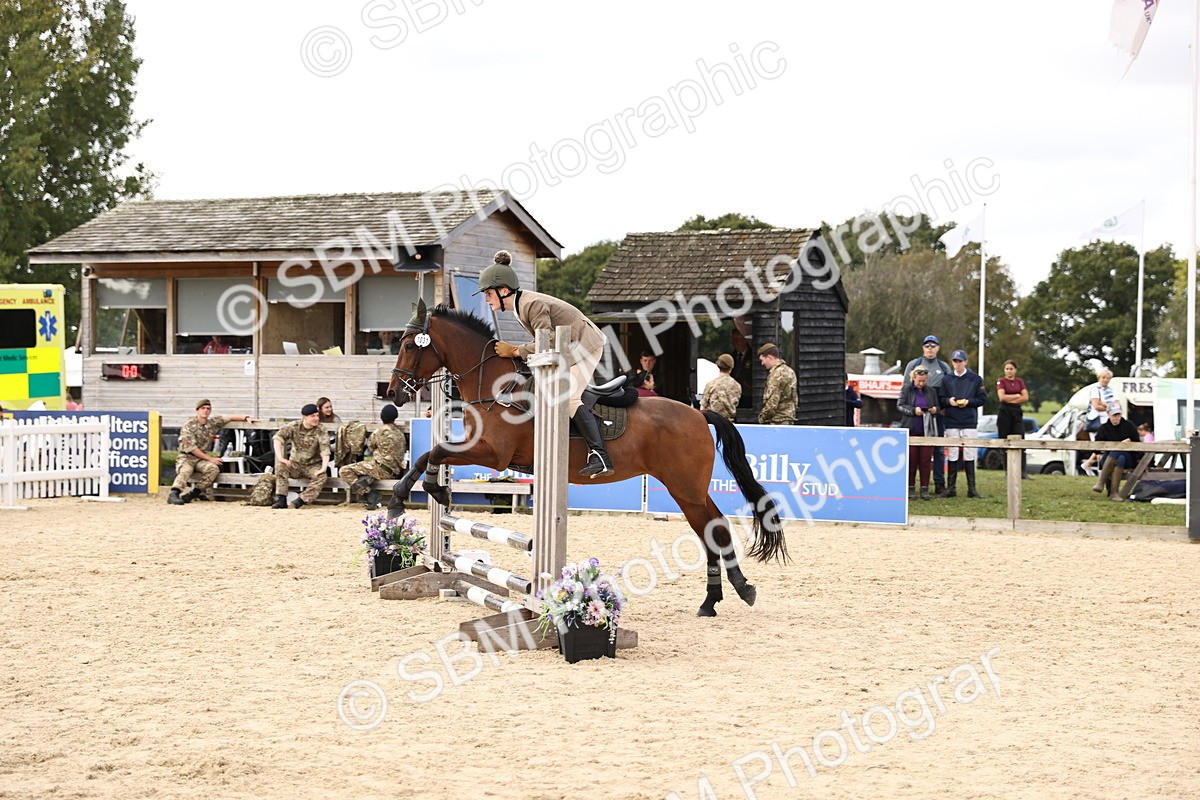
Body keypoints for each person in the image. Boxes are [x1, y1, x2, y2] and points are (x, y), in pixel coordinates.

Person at [479, 249, 613, 478]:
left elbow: (547, 340)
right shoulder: (520, 306)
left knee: (569, 397)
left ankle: (600, 456)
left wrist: (516, 350)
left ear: (503, 290)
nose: (486, 299)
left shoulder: (531, 304)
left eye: (488, 293)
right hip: (569, 347)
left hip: (585, 345)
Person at [169, 399, 259, 505]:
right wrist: (210, 458)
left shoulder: (212, 423)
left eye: (208, 408)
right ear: (197, 410)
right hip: (187, 457)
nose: (206, 410)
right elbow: (192, 448)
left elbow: (229, 417)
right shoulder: (189, 425)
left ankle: (194, 494)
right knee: (186, 470)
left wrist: (246, 418)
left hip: (200, 459)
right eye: (203, 408)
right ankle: (174, 493)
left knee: (213, 469)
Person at [902, 334, 952, 494]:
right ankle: (910, 485)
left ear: (938, 348)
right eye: (927, 346)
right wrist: (911, 410)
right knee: (912, 452)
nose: (930, 349)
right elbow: (905, 390)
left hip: (936, 412)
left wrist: (942, 407)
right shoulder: (913, 364)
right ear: (923, 348)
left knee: (938, 449)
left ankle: (939, 483)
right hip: (916, 414)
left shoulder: (943, 367)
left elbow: (948, 389)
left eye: (933, 346)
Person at [339, 405, 407, 510]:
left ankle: (370, 494)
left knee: (344, 471)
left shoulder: (379, 431)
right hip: (395, 472)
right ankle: (368, 486)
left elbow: (370, 446)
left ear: (381, 417)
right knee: (364, 475)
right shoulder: (400, 434)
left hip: (379, 469)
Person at [940, 349, 988, 498]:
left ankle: (971, 489)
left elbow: (982, 399)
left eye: (960, 361)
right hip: (951, 420)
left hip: (969, 421)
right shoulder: (946, 379)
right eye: (955, 361)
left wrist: (968, 402)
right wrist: (949, 401)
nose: (957, 363)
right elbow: (941, 398)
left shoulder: (976, 379)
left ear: (966, 362)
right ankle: (951, 488)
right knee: (952, 452)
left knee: (970, 452)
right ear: (952, 362)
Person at [272, 403, 329, 509]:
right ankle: (281, 499)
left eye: (317, 415)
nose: (316, 418)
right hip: (295, 464)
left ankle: (300, 500)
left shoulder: (321, 429)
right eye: (313, 416)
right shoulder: (294, 426)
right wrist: (280, 458)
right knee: (280, 466)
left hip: (312, 466)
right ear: (305, 417)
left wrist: (323, 468)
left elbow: (325, 450)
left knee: (322, 476)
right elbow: (278, 438)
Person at [898, 367, 943, 501]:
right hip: (911, 429)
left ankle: (925, 488)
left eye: (924, 381)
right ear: (913, 378)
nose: (921, 383)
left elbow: (938, 407)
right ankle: (910, 487)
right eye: (919, 381)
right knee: (911, 461)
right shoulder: (906, 389)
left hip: (927, 431)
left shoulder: (931, 391)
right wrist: (913, 410)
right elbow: (900, 405)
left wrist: (934, 409)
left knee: (926, 461)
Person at [1091, 400, 1140, 501]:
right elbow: (1096, 448)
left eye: (1118, 415)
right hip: (1109, 458)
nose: (1116, 417)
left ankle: (1101, 482)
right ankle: (1114, 493)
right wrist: (1104, 449)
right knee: (1119, 457)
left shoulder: (1129, 426)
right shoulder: (1104, 428)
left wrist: (1127, 444)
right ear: (1108, 414)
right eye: (1114, 415)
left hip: (1129, 457)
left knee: (1118, 451)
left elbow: (1138, 445)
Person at [996, 359, 1032, 480]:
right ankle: (1008, 471)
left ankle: (1022, 471)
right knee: (1005, 441)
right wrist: (1016, 396)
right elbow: (1001, 397)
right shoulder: (1001, 381)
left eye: (1011, 369)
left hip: (1016, 412)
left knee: (1020, 440)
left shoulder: (1019, 382)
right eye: (1007, 369)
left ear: (1015, 370)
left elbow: (1025, 397)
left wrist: (1011, 399)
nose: (1009, 371)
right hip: (1004, 412)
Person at [757, 343, 797, 425]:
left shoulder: (776, 375)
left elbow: (772, 403)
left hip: (777, 421)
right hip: (789, 418)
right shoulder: (790, 371)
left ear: (769, 357)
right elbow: (794, 398)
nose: (762, 363)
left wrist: (761, 418)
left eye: (762, 360)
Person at [701, 353, 741, 423]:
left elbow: (703, 406)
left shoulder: (710, 385)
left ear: (718, 366)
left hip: (713, 421)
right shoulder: (737, 386)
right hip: (729, 422)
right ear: (731, 368)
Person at [730, 327, 754, 409]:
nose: (735, 343)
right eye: (734, 340)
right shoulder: (732, 357)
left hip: (748, 395)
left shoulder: (752, 357)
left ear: (745, 340)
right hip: (733, 395)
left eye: (738, 340)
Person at [1085, 368, 1115, 433]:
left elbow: (1116, 405)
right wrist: (1109, 408)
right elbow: (1096, 406)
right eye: (1103, 378)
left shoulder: (1112, 391)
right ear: (1099, 378)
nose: (1106, 380)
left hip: (1108, 420)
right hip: (1097, 420)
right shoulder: (1095, 389)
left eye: (1108, 378)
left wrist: (1103, 403)